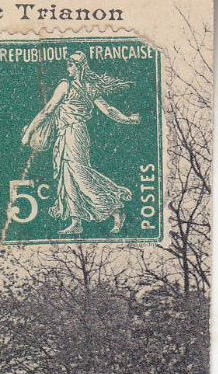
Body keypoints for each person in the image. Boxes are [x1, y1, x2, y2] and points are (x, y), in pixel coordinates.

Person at [20, 51, 142, 236]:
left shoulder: (69, 86)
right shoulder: (84, 87)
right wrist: (128, 119)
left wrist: (29, 132)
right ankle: (76, 221)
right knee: (67, 176)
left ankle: (115, 210)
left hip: (74, 134)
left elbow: (47, 110)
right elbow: (108, 110)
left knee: (80, 175)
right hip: (65, 134)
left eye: (71, 65)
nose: (68, 69)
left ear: (79, 67)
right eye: (68, 65)